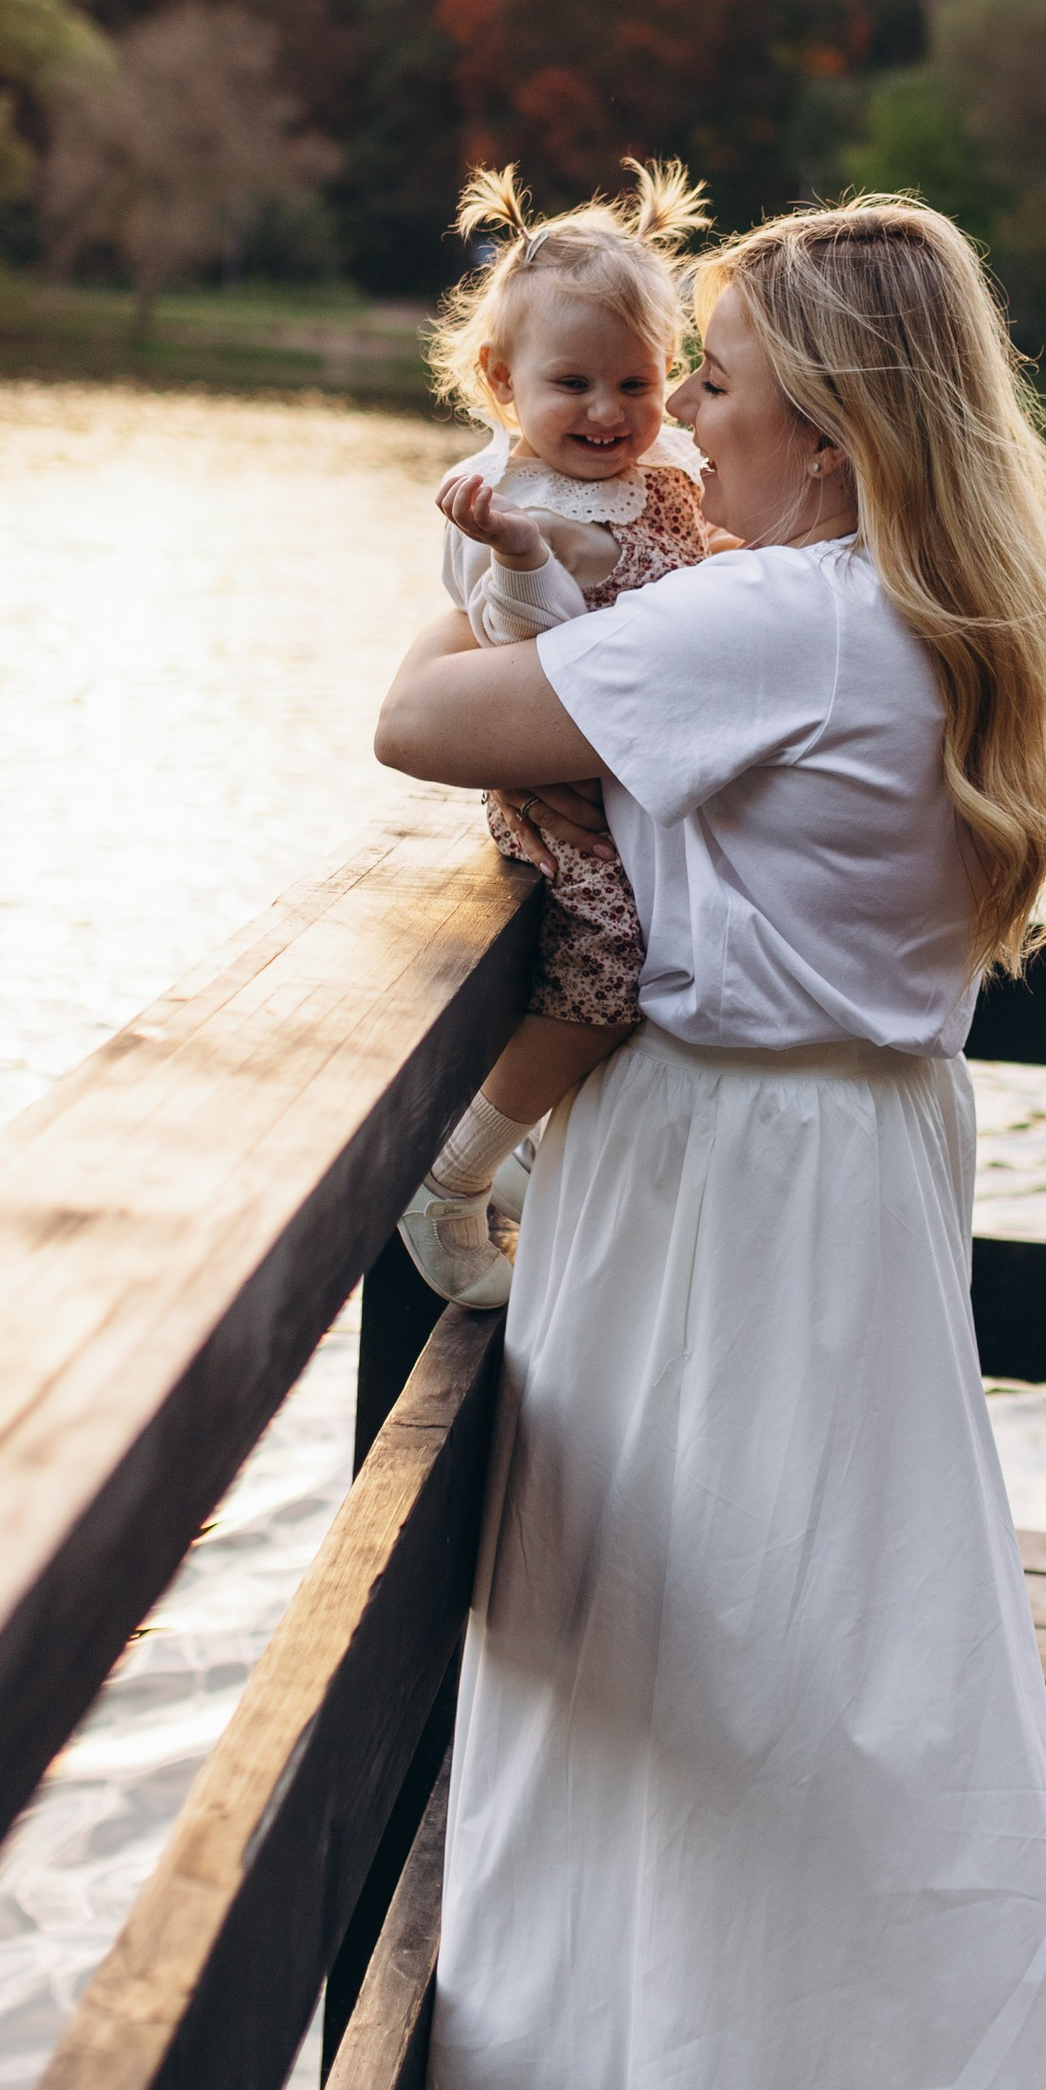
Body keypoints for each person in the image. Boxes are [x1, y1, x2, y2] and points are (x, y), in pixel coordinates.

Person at [371, 197, 1046, 2090]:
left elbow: (416, 721)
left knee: (663, 1704)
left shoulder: (773, 617)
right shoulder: (944, 612)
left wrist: (490, 558)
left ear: (819, 423)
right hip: (860, 1181)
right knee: (831, 1717)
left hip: (722, 1191)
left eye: (714, 388)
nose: (684, 428)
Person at [394, 158, 712, 1308]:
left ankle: (529, 1153)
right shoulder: (501, 501)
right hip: (558, 786)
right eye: (572, 383)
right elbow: (517, 650)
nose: (609, 412)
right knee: (611, 967)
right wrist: (526, 559)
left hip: (632, 775)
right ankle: (452, 1172)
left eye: (638, 381)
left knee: (673, 955)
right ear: (499, 378)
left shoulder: (664, 467)